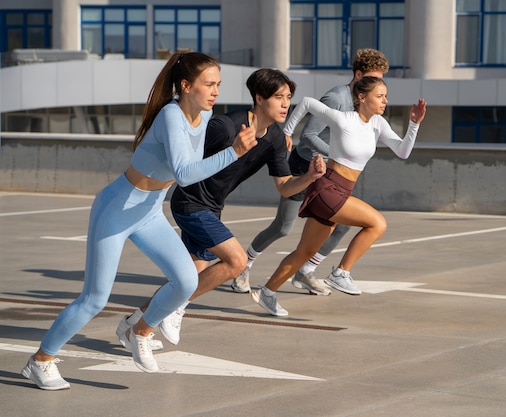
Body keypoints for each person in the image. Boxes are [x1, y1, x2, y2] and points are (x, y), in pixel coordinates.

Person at [21, 52, 257, 390]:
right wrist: (234, 152)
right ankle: (40, 360)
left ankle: (137, 330)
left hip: (148, 212)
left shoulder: (203, 118)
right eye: (209, 84)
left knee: (186, 280)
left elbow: (200, 162)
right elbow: (185, 174)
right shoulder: (171, 116)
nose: (216, 91)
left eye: (218, 84)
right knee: (95, 298)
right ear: (186, 86)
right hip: (117, 209)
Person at [116, 68, 326, 346]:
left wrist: (309, 177)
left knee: (185, 279)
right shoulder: (226, 126)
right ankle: (175, 308)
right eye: (279, 97)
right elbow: (184, 156)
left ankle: (133, 325)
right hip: (190, 203)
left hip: (212, 207)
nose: (286, 103)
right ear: (260, 98)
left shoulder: (275, 137)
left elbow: (284, 186)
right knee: (236, 261)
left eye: (288, 97)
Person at [251, 77, 427, 316]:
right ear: (362, 97)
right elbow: (306, 103)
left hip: (342, 190)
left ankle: (267, 293)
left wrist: (414, 124)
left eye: (386, 96)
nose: (385, 100)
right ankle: (341, 272)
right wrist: (287, 134)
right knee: (377, 223)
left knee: (305, 252)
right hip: (328, 188)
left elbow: (403, 152)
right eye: (380, 95)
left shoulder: (378, 124)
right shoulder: (343, 118)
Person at [232, 48, 390, 297]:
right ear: (358, 75)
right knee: (282, 228)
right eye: (373, 77)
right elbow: (308, 136)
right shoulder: (337, 98)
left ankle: (306, 271)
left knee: (342, 225)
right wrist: (337, 155)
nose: (378, 84)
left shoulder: (367, 105)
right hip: (304, 166)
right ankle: (244, 266)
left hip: (331, 175)